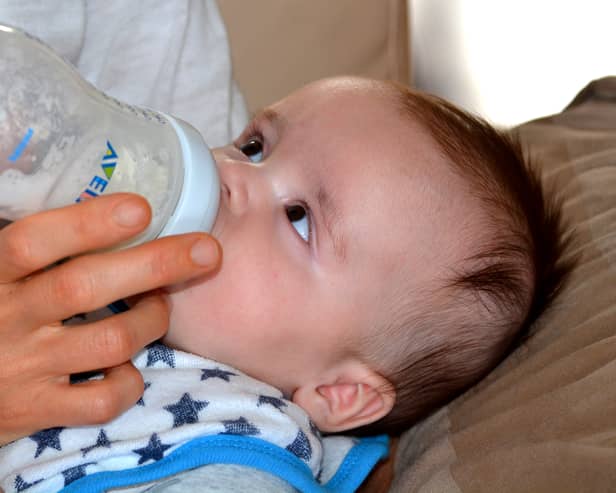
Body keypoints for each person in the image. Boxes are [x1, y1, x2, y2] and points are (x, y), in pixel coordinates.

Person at [0, 76, 572, 492]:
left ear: (338, 393)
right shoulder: (76, 270)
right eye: (254, 146)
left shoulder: (232, 457)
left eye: (299, 218)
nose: (229, 173)